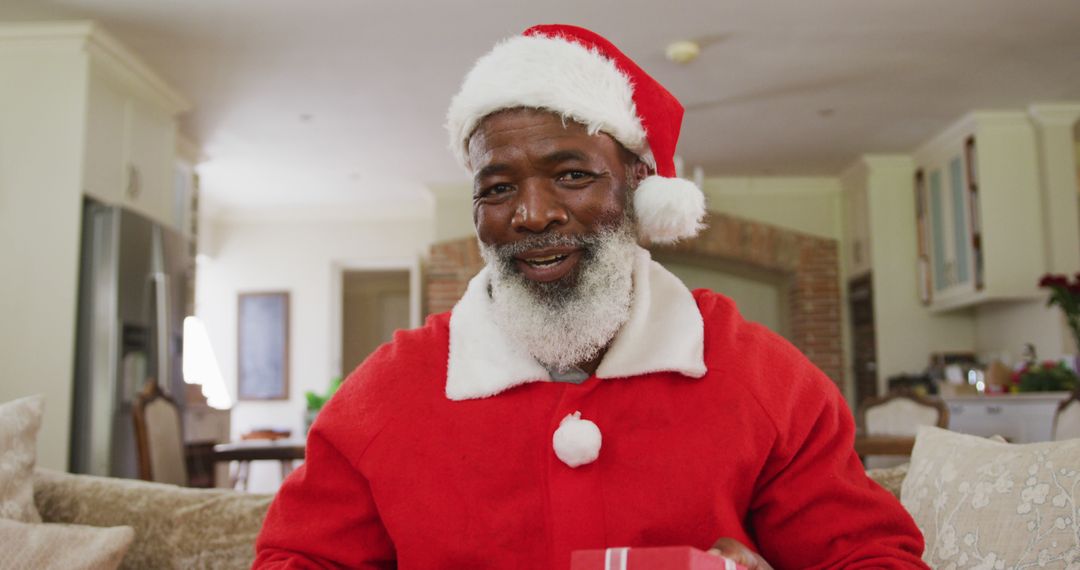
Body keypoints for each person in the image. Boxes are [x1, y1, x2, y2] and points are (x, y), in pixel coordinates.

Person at [254, 24, 928, 569]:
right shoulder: (387, 394)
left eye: (571, 174)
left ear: (637, 188)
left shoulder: (764, 378)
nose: (532, 214)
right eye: (497, 187)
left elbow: (872, 557)